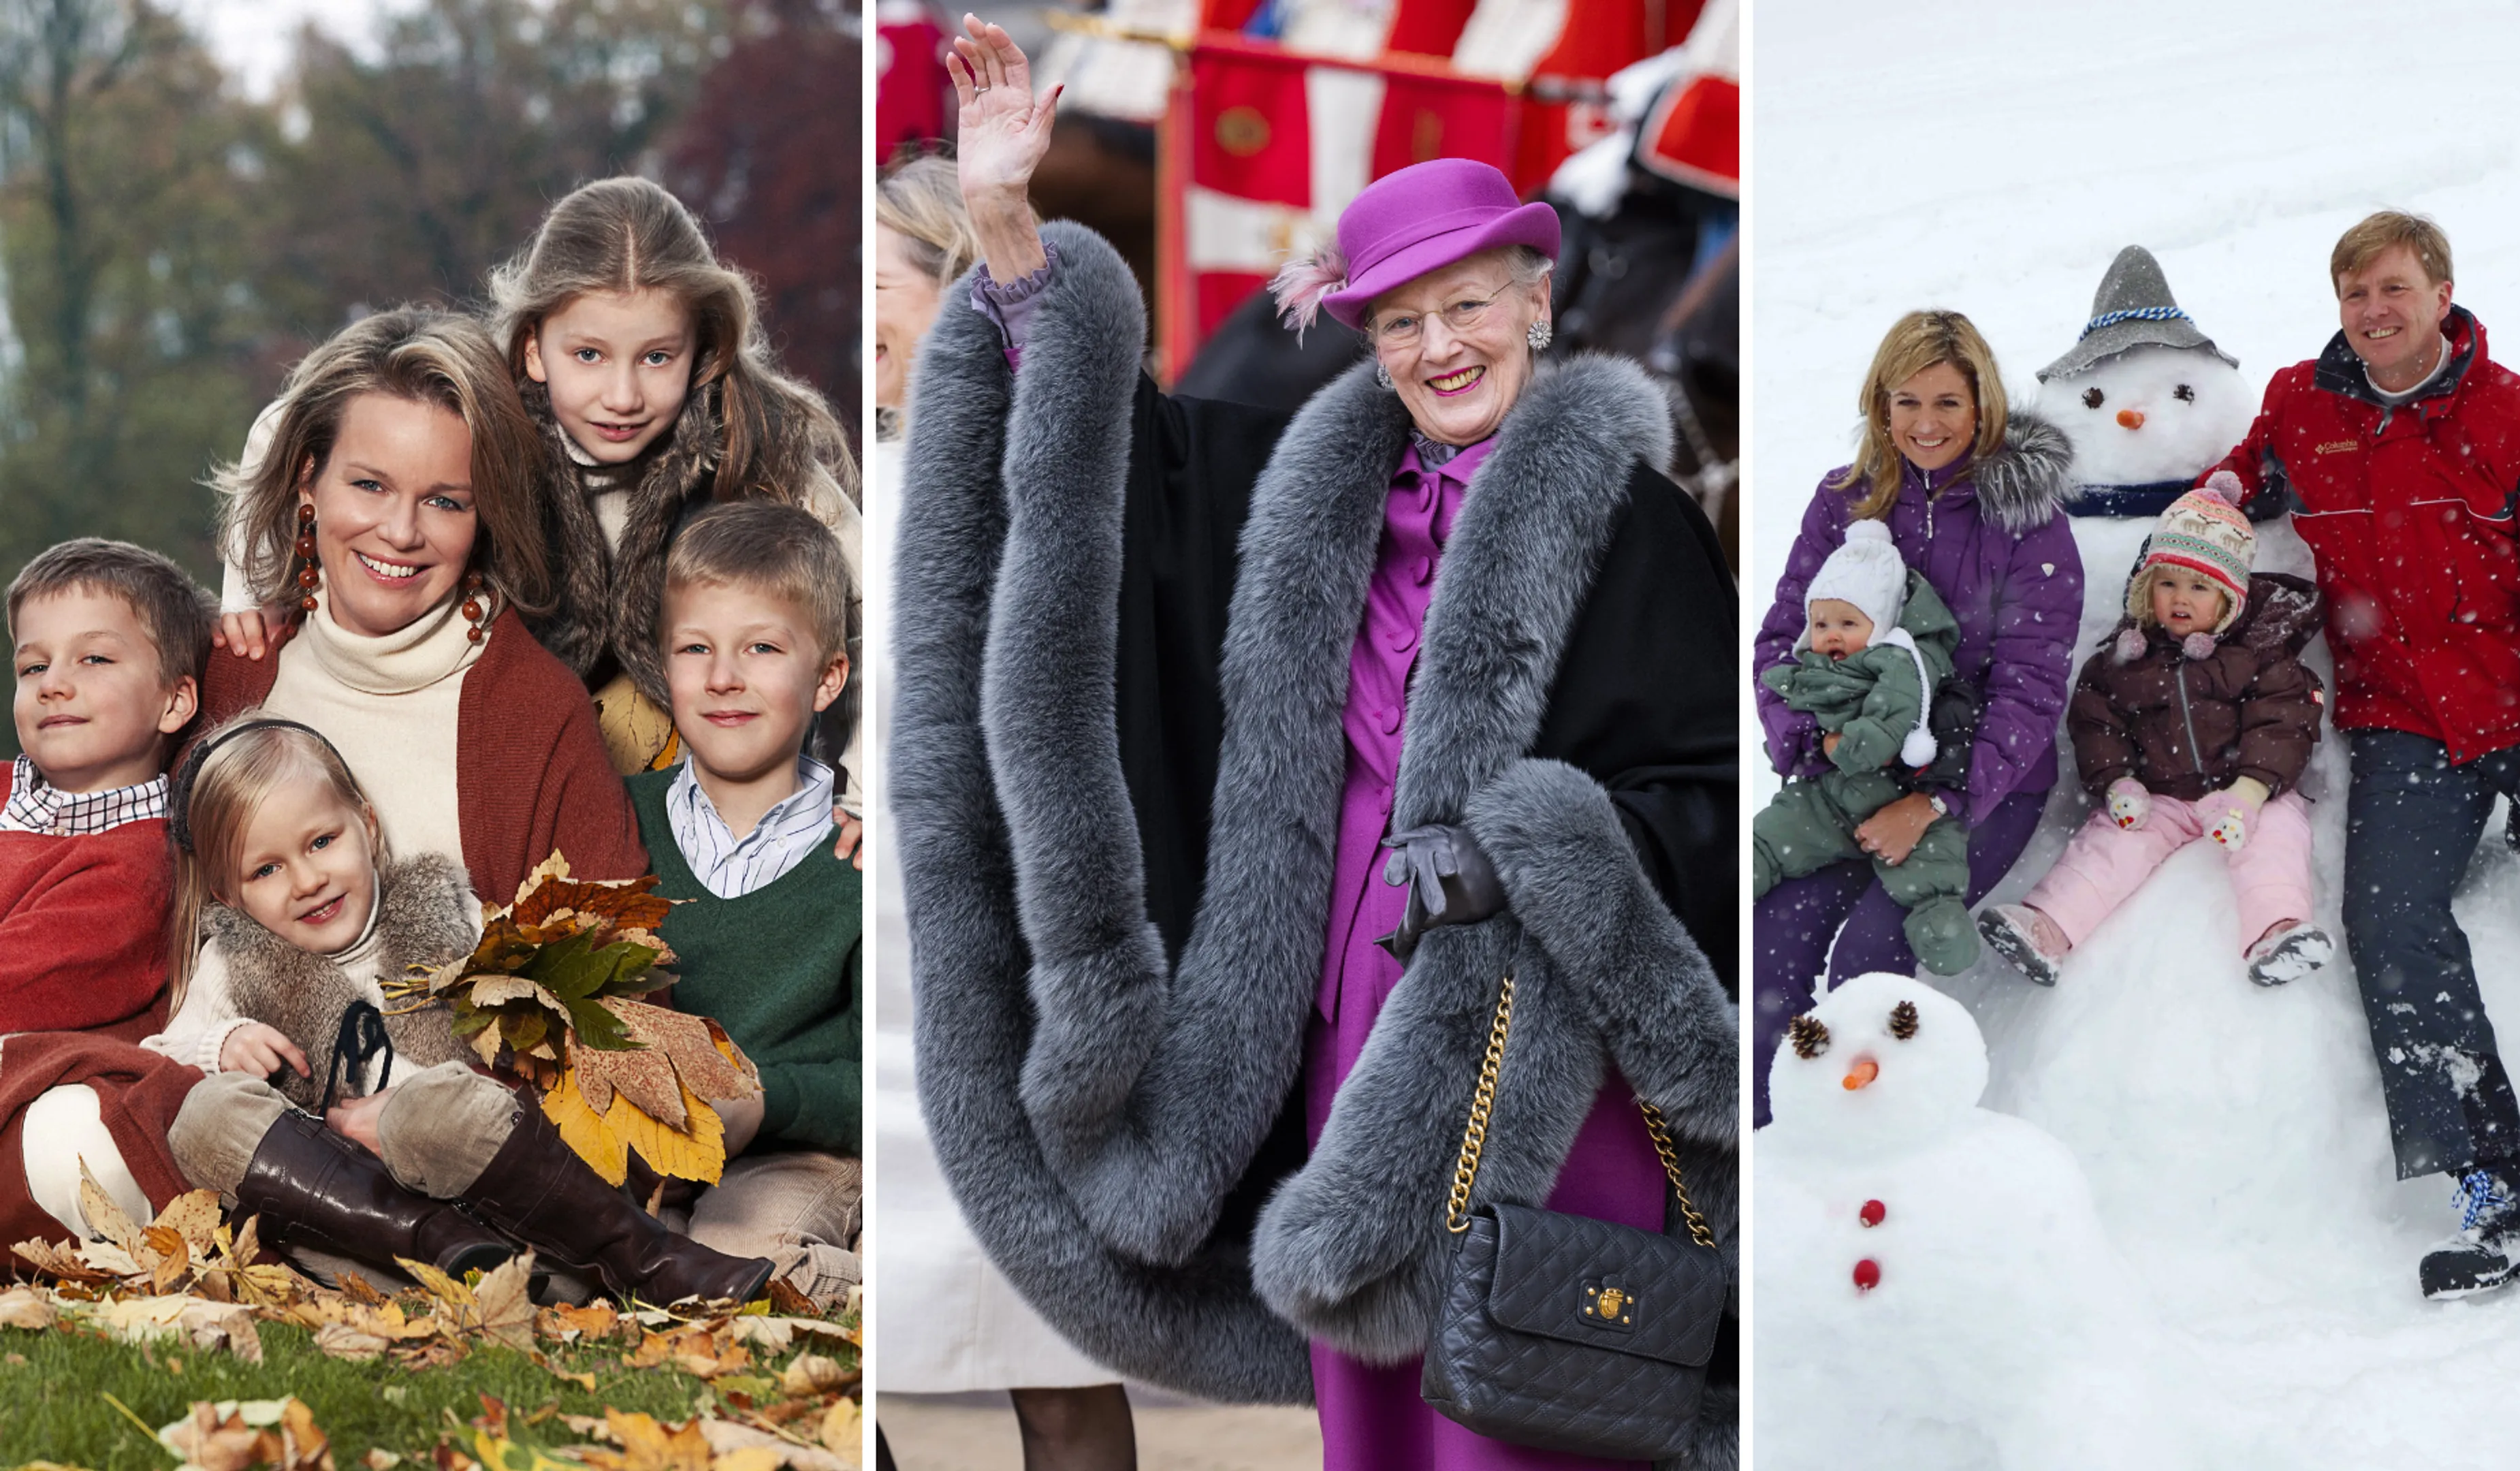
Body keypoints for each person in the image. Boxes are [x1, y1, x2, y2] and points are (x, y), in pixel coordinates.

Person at [891, 18, 1736, 1467]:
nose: (1440, 345)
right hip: (1341, 1009)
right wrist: (1007, 227)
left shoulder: (1637, 521)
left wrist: (1534, 852)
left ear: (1538, 305)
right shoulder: (1305, 498)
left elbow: (1705, 793)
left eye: (1468, 306)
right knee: (1378, 1394)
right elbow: (1102, 470)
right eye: (1401, 320)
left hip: (1538, 1029)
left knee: (1531, 1384)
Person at [2205, 210, 2520, 1298]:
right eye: (2354, 295)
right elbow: (2237, 487)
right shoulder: (2305, 402)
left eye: (2392, 289)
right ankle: (2503, 1198)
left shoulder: (2515, 417)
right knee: (2391, 926)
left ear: (2441, 292)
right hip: (2404, 724)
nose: (2373, 312)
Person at [212, 178, 866, 814]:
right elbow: (286, 425)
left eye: (657, 358)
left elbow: (874, 601)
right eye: (587, 355)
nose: (622, 396)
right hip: (532, 753)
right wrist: (248, 590)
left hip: (712, 768)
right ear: (532, 348)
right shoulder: (494, 410)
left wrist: (859, 788)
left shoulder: (757, 444)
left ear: (699, 352)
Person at [144, 714, 775, 1303]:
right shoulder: (235, 962)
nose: (307, 880)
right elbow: (163, 1059)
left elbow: (533, 1028)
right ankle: (451, 1255)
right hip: (368, 1241)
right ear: (230, 892)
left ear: (366, 825)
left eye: (321, 841)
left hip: (503, 1209)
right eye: (267, 870)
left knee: (433, 1110)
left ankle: (644, 1257)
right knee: (202, 1114)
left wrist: (402, 1118)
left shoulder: (446, 914)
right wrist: (220, 1043)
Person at [872, 150, 1140, 1468]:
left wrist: (1005, 224)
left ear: (949, 292)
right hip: (853, 963)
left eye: (875, 285)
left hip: (1000, 964)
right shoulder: (832, 469)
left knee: (1057, 1347)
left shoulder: (1038, 462)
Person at [186, 304, 647, 902]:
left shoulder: (536, 711)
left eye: (445, 502)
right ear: (309, 480)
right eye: (370, 486)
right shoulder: (230, 673)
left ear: (486, 517)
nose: (401, 533)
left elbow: (626, 968)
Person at [1753, 309, 2082, 1126]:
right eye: (1906, 403)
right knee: (1772, 941)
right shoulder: (1847, 503)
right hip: (1847, 772)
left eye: (1946, 404)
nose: (1925, 426)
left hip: (1978, 780)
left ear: (1983, 408)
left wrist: (1936, 802)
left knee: (1871, 954)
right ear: (1880, 405)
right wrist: (1811, 743)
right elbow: (1780, 640)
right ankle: (1766, 1151)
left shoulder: (2026, 520)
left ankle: (1865, 1139)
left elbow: (2031, 689)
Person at [624, 503, 861, 1310]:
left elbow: (886, 1076)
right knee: (616, 1251)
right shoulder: (622, 817)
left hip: (792, 1152)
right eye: (697, 650)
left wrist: (766, 1105)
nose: (724, 677)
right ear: (666, 668)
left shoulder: (859, 856)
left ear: (827, 678)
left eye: (762, 648)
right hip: (643, 1147)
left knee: (734, 1265)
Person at [1978, 474, 2332, 988]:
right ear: (2147, 589)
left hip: (2248, 792)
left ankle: (2278, 931)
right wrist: (2119, 781)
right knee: (2111, 845)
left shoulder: (2258, 654)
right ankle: (2048, 928)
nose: (2179, 598)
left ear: (2230, 597)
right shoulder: (2126, 658)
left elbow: (2284, 723)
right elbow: (2096, 722)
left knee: (2276, 840)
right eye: (2167, 583)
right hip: (2160, 796)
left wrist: (2251, 791)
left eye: (2199, 587)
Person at [0, 540, 217, 1249]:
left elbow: (23, 983)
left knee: (66, 1149)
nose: (53, 684)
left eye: (94, 659)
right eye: (34, 666)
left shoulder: (142, 864)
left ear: (175, 700)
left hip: (47, 1093)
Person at [1754, 520, 1974, 973]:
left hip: (1897, 796)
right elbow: (1782, 700)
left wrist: (1850, 746)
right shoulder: (1812, 667)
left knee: (1932, 867)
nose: (1831, 634)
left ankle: (1941, 927)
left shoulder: (1902, 663)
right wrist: (1796, 733)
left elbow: (1891, 719)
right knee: (1770, 837)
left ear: (1883, 624)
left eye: (1848, 622)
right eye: (1821, 623)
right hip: (1827, 797)